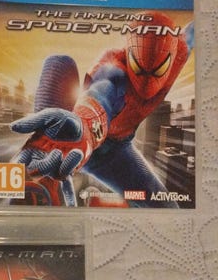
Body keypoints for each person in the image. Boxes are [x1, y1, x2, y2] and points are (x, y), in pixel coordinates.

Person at [12, 12, 194, 207]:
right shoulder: (113, 71)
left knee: (167, 207)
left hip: (116, 149)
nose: (147, 81)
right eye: (138, 67)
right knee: (59, 64)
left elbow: (195, 29)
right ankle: (47, 155)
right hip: (83, 143)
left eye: (158, 70)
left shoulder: (180, 50)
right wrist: (84, 131)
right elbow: (99, 94)